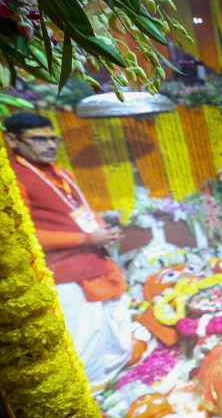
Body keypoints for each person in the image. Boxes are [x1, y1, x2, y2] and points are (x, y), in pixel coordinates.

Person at [4, 112, 140, 392]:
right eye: (39, 140)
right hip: (66, 275)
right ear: (12, 140)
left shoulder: (59, 172)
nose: (50, 145)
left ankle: (118, 390)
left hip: (94, 263)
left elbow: (81, 212)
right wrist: (86, 237)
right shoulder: (12, 179)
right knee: (87, 339)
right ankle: (95, 406)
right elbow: (24, 235)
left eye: (53, 139)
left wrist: (102, 230)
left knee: (113, 330)